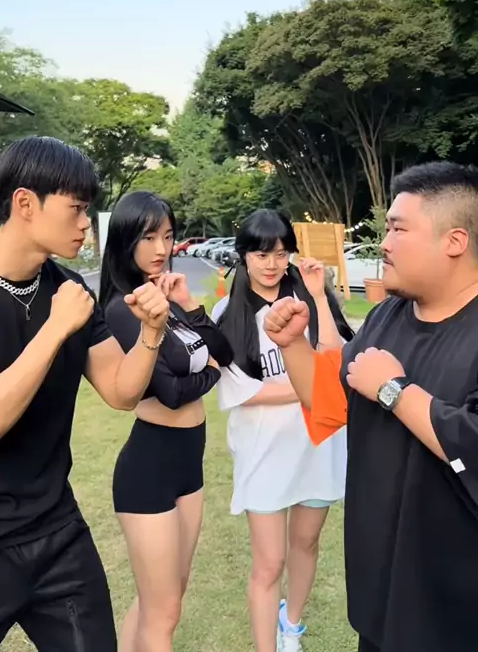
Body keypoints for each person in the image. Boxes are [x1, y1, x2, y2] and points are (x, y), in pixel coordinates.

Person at [263, 161, 478, 652]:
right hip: (380, 593)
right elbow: (328, 400)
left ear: (454, 241)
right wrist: (293, 345)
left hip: (455, 609)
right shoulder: (385, 316)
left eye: (399, 229)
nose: (384, 243)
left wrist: (396, 392)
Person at [0, 136, 171, 652]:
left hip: (55, 530)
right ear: (25, 203)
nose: (85, 225)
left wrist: (152, 333)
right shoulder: (65, 309)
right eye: (75, 209)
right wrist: (54, 330)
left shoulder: (69, 288)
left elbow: (121, 391)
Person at [211, 209, 354, 652]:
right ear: (243, 257)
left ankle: (290, 627)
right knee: (269, 562)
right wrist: (312, 387)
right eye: (261, 254)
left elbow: (338, 360)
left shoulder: (309, 301)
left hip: (318, 445)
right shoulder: (228, 313)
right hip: (264, 452)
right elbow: (242, 392)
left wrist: (320, 296)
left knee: (306, 543)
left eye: (280, 253)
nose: (271, 264)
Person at [99, 190, 233, 652]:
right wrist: (212, 371)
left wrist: (189, 304)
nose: (161, 248)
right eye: (149, 237)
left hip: (188, 466)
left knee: (163, 599)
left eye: (168, 236)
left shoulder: (165, 298)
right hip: (149, 469)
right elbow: (170, 393)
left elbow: (225, 351)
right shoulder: (124, 308)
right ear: (125, 240)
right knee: (165, 613)